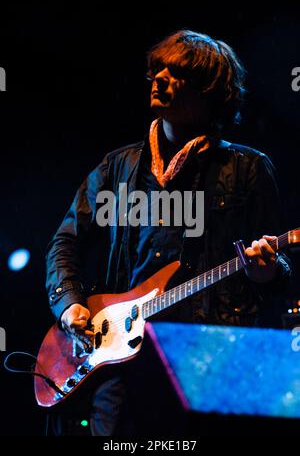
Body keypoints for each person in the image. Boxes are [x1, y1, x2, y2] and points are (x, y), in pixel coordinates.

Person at [45, 30, 291, 435]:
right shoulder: (117, 168)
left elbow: (278, 274)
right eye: (157, 69)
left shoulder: (248, 169)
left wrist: (266, 271)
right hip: (120, 362)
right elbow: (65, 241)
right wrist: (71, 303)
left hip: (207, 362)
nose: (159, 78)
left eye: (176, 72)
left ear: (209, 90)